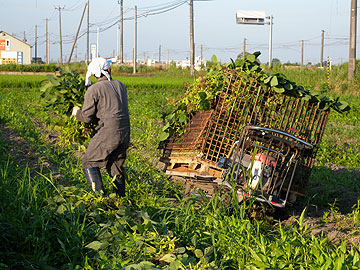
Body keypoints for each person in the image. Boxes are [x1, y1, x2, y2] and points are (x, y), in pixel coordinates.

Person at [72, 57, 130, 197]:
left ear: (94, 74)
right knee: (116, 166)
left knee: (89, 161)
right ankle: (120, 200)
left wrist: (76, 113)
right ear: (109, 70)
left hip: (109, 132)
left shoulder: (94, 89)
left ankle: (99, 199)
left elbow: (86, 117)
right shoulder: (120, 85)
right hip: (125, 133)